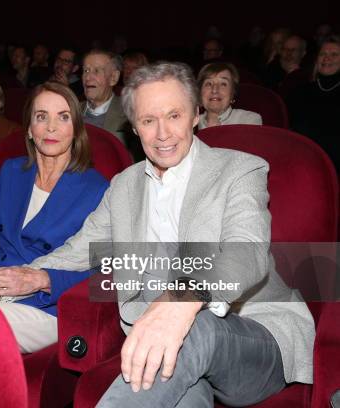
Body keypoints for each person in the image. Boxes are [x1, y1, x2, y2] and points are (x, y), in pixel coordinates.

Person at [19, 62, 313, 406]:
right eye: (148, 121)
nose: (162, 133)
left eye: (174, 116)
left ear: (195, 115)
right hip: (167, 348)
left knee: (195, 327)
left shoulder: (240, 169)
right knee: (182, 394)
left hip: (253, 333)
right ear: (134, 127)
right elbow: (81, 249)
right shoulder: (124, 187)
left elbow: (247, 252)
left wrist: (180, 302)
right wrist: (28, 274)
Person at [0, 82, 109, 353]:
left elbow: (104, 272)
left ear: (76, 130)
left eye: (63, 117)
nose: (51, 127)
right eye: (41, 117)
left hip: (46, 304)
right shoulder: (11, 171)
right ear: (30, 129)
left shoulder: (98, 189)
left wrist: (42, 280)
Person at [288, 35, 340, 171]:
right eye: (323, 54)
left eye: (334, 54)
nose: (327, 58)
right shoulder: (299, 92)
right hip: (302, 162)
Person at [81, 49, 131, 145]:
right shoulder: (71, 111)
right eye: (86, 70)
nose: (88, 77)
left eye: (96, 71)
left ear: (113, 77)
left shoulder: (129, 114)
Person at [197, 62, 262, 129]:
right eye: (209, 84)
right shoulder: (190, 124)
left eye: (223, 84)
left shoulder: (249, 120)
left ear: (233, 93)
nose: (214, 90)